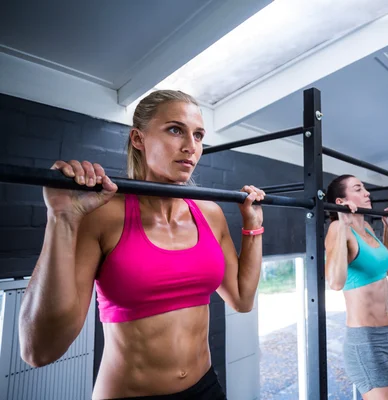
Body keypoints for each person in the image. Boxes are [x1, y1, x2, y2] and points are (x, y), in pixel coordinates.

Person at [18, 90, 266, 399]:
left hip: (206, 389)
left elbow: (242, 299)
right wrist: (62, 218)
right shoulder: (103, 215)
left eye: (199, 135)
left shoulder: (210, 213)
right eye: (175, 130)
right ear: (138, 138)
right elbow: (39, 351)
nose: (191, 146)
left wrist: (252, 227)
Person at [325, 175, 388, 400]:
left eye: (365, 188)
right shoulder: (337, 229)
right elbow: (335, 282)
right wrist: (342, 225)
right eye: (358, 189)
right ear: (341, 202)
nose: (367, 193)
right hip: (365, 344)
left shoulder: (368, 227)